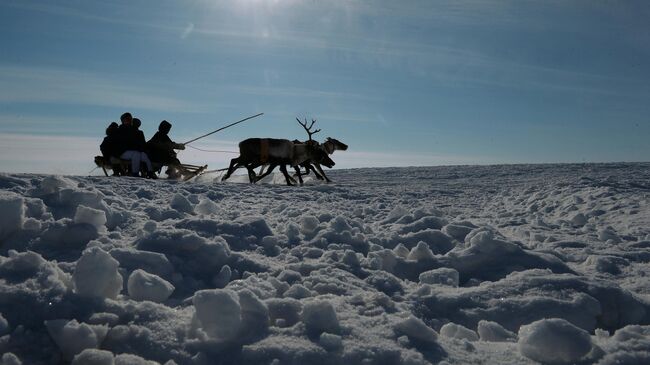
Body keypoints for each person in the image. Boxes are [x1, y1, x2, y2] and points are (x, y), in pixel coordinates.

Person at [117, 112, 156, 178]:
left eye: (130, 119)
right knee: (136, 154)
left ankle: (150, 172)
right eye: (127, 119)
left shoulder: (134, 130)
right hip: (122, 152)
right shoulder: (120, 130)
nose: (129, 121)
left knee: (145, 156)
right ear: (123, 120)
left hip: (135, 151)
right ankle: (135, 173)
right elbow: (123, 143)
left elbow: (141, 143)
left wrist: (142, 149)